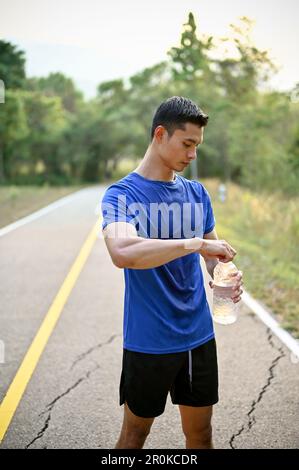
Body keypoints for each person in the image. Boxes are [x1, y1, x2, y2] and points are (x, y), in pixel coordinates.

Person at [101, 96, 243, 449]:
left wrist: (225, 271)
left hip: (198, 336)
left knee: (200, 436)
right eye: (187, 144)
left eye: (197, 146)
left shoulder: (197, 193)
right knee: (135, 436)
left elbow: (212, 256)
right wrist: (193, 244)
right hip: (149, 340)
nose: (193, 155)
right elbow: (123, 252)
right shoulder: (122, 195)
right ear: (160, 135)